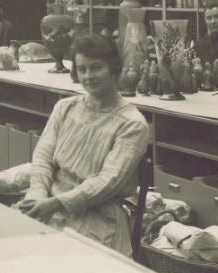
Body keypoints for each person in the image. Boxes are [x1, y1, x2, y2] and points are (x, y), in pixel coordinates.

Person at [17, 33, 151, 255]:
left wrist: (56, 203)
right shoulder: (65, 108)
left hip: (98, 216)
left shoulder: (133, 124)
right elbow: (42, 158)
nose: (89, 76)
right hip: (49, 203)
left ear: (114, 69)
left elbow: (107, 182)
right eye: (82, 69)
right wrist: (37, 196)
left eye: (97, 67)